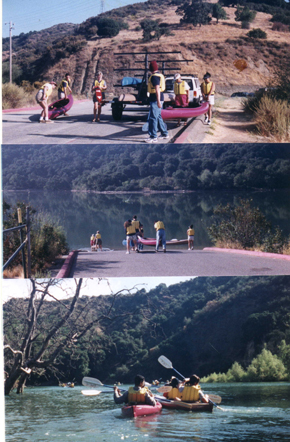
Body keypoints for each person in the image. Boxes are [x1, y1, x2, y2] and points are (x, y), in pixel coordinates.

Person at [145, 60, 169, 143]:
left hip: (155, 99)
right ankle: (164, 133)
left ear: (150, 69)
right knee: (158, 116)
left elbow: (157, 89)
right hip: (158, 98)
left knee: (153, 118)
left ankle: (153, 136)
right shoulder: (159, 75)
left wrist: (158, 101)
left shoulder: (154, 77)